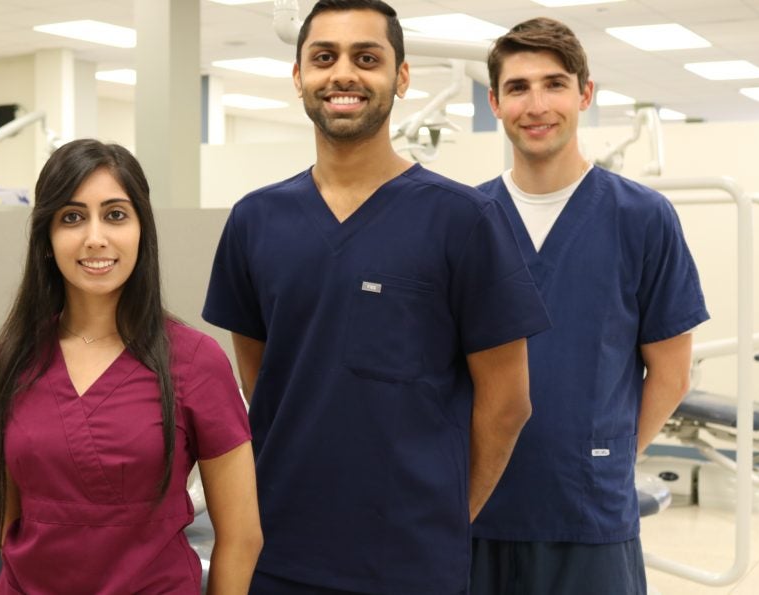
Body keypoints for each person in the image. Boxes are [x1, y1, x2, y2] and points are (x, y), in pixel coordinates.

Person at [202, 1, 552, 592]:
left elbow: (508, 402)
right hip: (280, 551)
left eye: (367, 58)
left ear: (402, 77)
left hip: (411, 561)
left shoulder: (465, 220)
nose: (344, 74)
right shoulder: (255, 221)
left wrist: (444, 517)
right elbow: (263, 383)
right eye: (323, 58)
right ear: (298, 78)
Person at [0, 139, 263, 594]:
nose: (95, 237)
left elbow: (241, 538)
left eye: (116, 214)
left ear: (142, 230)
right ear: (46, 238)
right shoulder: (8, 364)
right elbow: (5, 522)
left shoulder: (196, 362)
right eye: (72, 217)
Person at [470, 18, 710, 595]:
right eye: (518, 88)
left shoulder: (642, 218)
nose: (537, 104)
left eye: (554, 84)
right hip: (477, 509)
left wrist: (605, 460)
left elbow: (672, 373)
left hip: (590, 516)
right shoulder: (464, 220)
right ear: (495, 103)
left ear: (585, 94)